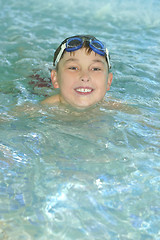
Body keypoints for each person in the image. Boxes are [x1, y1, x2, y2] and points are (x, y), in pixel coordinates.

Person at [41, 35, 113, 110]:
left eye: (95, 69)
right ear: (55, 78)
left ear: (108, 81)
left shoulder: (119, 109)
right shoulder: (39, 111)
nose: (85, 77)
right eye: (73, 68)